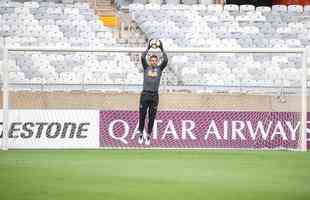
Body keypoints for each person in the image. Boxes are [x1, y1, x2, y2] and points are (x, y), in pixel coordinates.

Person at [137, 39, 168, 145]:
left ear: (157, 61)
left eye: (155, 60)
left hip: (154, 96)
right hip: (145, 94)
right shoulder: (146, 67)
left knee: (151, 116)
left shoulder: (159, 69)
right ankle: (140, 133)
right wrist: (148, 48)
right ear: (150, 61)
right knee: (142, 115)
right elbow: (142, 57)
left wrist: (161, 48)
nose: (154, 62)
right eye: (152, 60)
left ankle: (148, 135)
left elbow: (166, 60)